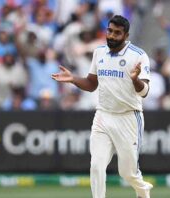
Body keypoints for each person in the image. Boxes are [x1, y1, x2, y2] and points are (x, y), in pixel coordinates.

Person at [52, 15, 153, 198]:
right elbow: (92, 84)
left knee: (127, 173)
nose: (112, 36)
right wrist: (74, 79)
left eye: (117, 33)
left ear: (126, 35)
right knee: (96, 165)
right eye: (110, 31)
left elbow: (144, 92)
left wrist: (135, 79)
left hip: (128, 117)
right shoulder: (99, 52)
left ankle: (143, 190)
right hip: (103, 116)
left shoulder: (138, 56)